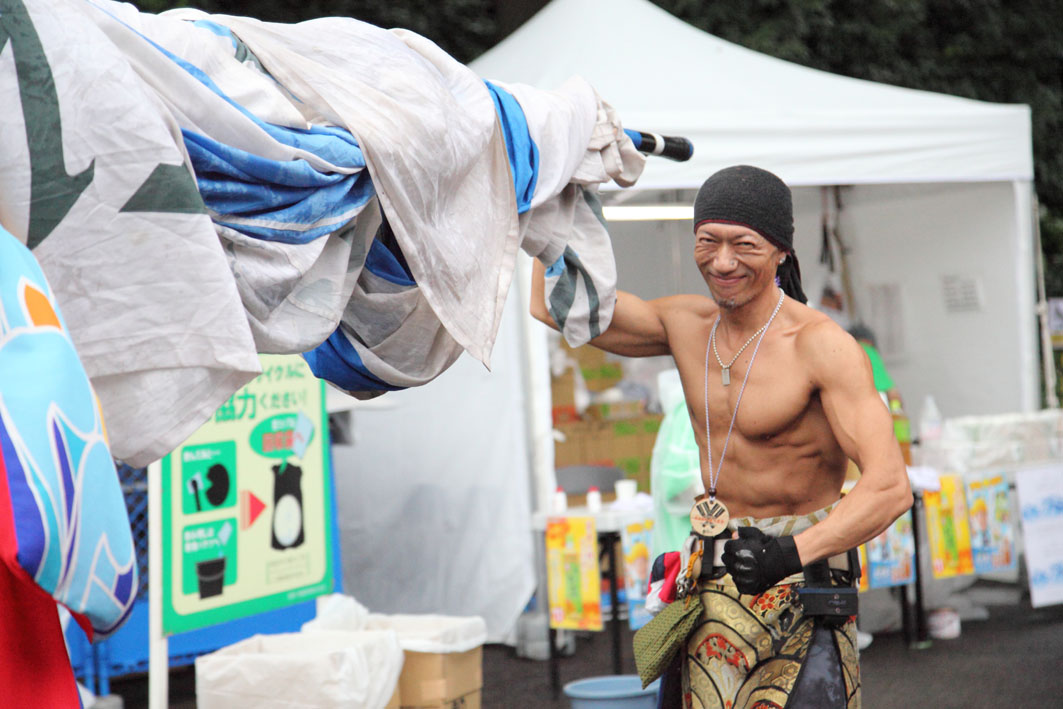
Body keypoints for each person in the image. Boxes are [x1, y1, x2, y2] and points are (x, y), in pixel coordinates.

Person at [531, 165, 911, 708]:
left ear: (781, 251)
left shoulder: (821, 345)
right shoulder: (685, 325)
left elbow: (890, 487)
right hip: (711, 583)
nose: (723, 261)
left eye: (744, 244)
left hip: (801, 588)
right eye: (707, 241)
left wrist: (789, 552)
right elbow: (553, 304)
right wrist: (555, 184)